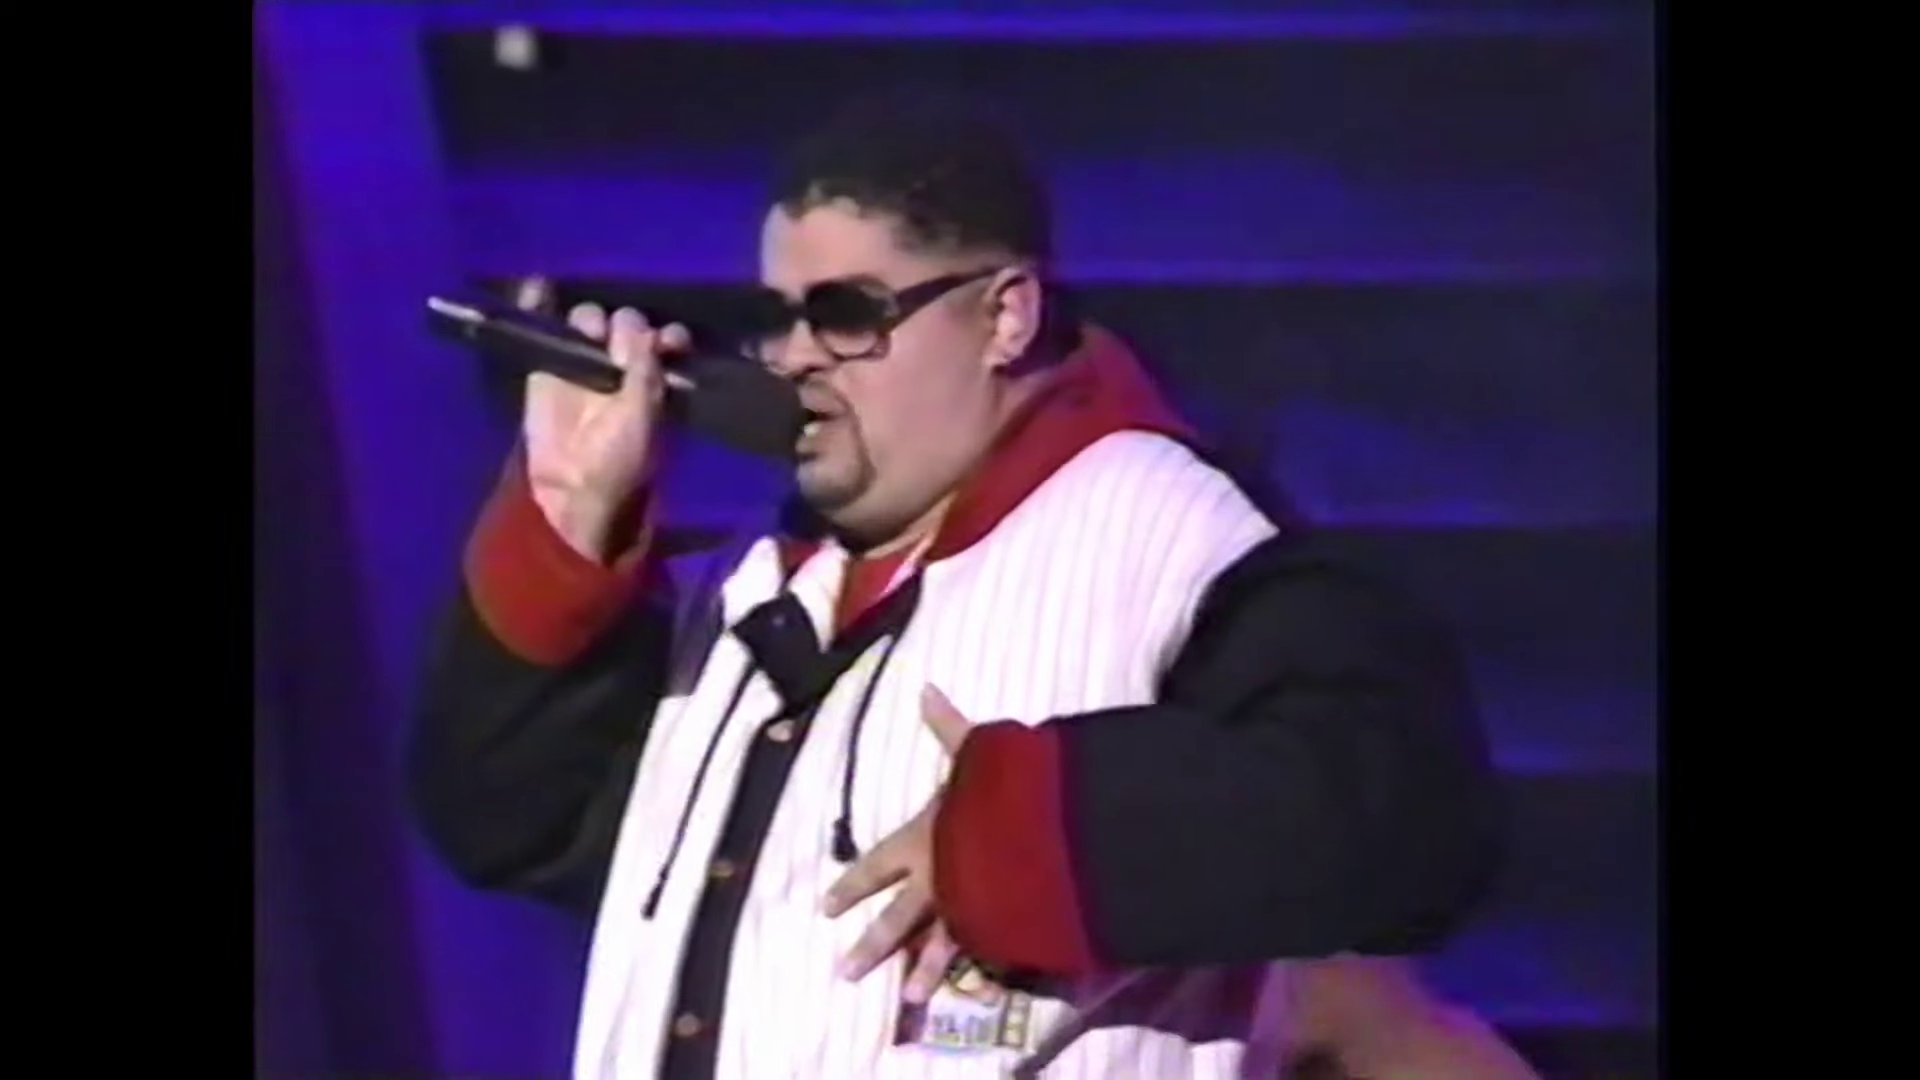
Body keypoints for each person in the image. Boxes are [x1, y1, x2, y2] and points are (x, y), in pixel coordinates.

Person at [408, 98, 1518, 1080]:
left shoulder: (1175, 537)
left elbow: (1405, 813)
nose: (794, 355)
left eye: (848, 314)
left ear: (1004, 317)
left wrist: (1029, 833)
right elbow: (500, 821)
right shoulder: (742, 595)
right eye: (779, 316)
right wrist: (570, 517)